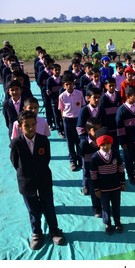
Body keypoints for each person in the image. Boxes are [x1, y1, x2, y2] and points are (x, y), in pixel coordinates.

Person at [10, 111, 65, 250]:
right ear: (20, 127)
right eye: (26, 125)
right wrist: (27, 174)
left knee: (49, 206)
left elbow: (46, 158)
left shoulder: (43, 140)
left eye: (33, 124)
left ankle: (54, 230)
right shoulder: (16, 143)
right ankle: (37, 233)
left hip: (43, 178)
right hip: (26, 181)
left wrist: (38, 171)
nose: (30, 128)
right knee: (33, 209)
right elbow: (15, 162)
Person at [91, 127, 126, 234]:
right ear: (98, 144)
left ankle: (117, 222)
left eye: (108, 144)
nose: (106, 146)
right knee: (105, 207)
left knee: (116, 205)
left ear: (111, 143)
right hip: (103, 189)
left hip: (116, 186)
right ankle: (108, 223)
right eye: (103, 144)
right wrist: (96, 189)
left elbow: (120, 168)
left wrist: (123, 182)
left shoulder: (116, 154)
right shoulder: (95, 158)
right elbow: (94, 175)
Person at [116, 86, 135, 185]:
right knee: (129, 158)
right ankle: (131, 175)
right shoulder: (121, 110)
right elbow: (119, 127)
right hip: (128, 140)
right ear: (127, 96)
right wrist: (122, 142)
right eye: (134, 95)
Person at [58, 75, 86, 171]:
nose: (69, 86)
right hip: (68, 120)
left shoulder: (79, 93)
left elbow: (83, 106)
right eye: (67, 84)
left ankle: (80, 159)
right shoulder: (62, 96)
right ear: (64, 85)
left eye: (71, 84)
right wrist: (64, 121)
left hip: (78, 120)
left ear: (73, 84)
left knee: (79, 140)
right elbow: (61, 110)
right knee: (70, 142)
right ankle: (72, 161)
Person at [79, 117, 102, 217]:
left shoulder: (102, 142)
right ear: (88, 131)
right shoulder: (84, 144)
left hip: (102, 172)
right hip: (90, 173)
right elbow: (80, 154)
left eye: (99, 129)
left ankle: (104, 206)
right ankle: (96, 208)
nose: (97, 132)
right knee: (94, 192)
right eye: (95, 130)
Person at [99, 77, 121, 150]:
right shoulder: (103, 98)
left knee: (116, 144)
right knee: (109, 145)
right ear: (105, 86)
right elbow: (101, 114)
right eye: (110, 85)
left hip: (117, 125)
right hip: (108, 126)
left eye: (113, 85)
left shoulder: (118, 96)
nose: (112, 87)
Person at [46, 63, 64, 137]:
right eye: (55, 70)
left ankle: (63, 129)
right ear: (52, 71)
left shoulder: (62, 79)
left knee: (62, 115)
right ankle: (59, 130)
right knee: (56, 116)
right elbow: (48, 92)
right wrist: (54, 98)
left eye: (58, 70)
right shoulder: (49, 80)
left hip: (63, 101)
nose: (57, 71)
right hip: (55, 101)